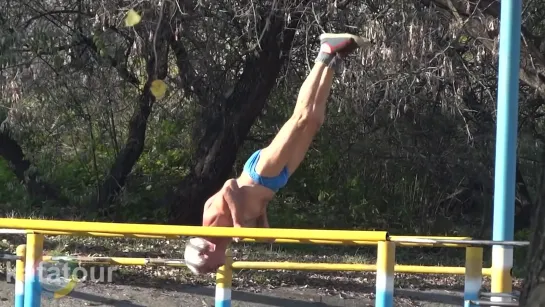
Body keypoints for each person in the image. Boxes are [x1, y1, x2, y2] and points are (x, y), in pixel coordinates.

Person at [184, 33, 371, 275]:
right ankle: (334, 59)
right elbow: (253, 205)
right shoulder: (224, 239)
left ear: (206, 252)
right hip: (276, 182)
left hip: (259, 174)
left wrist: (240, 223)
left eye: (210, 268)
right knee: (314, 121)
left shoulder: (211, 225)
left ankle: (325, 51)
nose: (217, 268)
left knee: (300, 118)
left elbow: (230, 187)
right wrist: (263, 225)